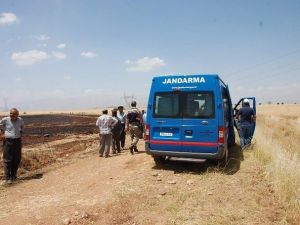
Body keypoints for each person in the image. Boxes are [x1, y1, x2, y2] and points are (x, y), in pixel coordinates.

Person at [0, 108, 24, 185]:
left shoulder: (20, 120)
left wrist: (20, 132)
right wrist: (1, 134)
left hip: (17, 141)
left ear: (17, 114)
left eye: (13, 114)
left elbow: (22, 127)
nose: (11, 115)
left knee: (17, 158)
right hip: (8, 141)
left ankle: (13, 176)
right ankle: (7, 178)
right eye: (10, 113)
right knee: (7, 159)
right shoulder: (6, 120)